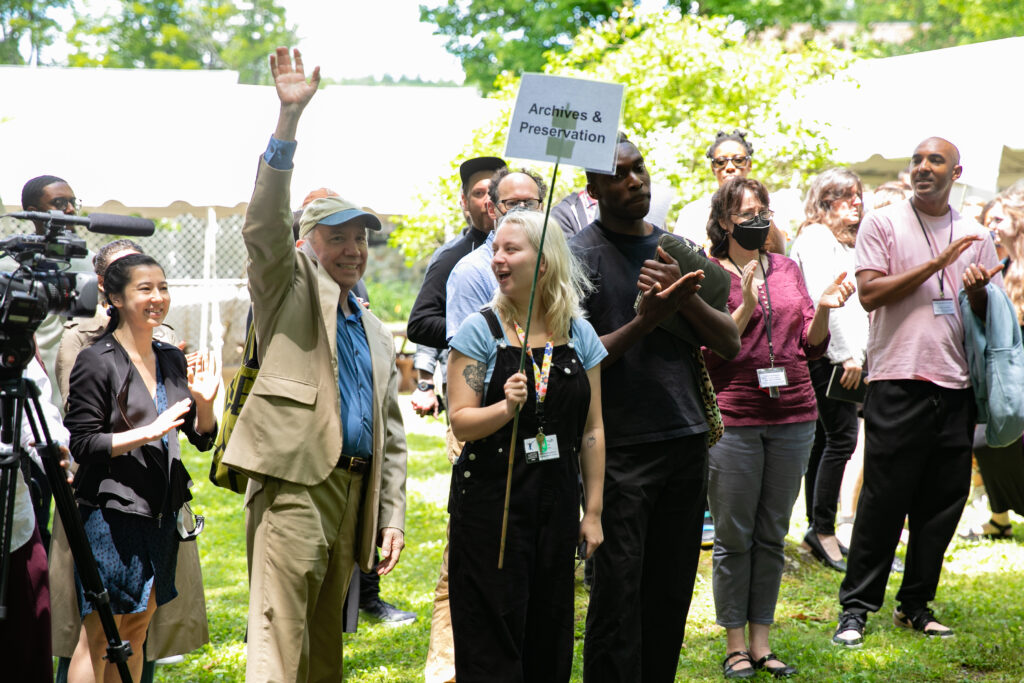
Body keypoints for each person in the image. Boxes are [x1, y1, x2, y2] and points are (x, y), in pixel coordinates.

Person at [221, 48, 408, 681]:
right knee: (279, 640)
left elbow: (394, 433)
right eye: (339, 237)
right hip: (296, 484)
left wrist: (391, 514)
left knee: (325, 650)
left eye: (361, 237)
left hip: (354, 495)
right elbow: (264, 226)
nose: (354, 249)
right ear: (308, 244)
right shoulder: (289, 286)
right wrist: (287, 121)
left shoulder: (377, 330)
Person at [574, 135, 741, 683]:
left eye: (639, 169)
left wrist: (683, 296)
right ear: (592, 188)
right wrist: (644, 321)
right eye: (619, 173)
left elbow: (729, 343)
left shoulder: (678, 249)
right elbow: (577, 359)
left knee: (669, 592)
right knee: (618, 594)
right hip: (616, 448)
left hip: (684, 438)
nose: (635, 180)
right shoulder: (575, 257)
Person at [833, 137, 1003, 648]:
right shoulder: (883, 223)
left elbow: (985, 316)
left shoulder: (976, 234)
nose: (923, 168)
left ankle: (915, 606)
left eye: (935, 161)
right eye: (917, 160)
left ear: (957, 172)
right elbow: (868, 294)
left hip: (957, 384)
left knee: (941, 505)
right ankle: (856, 609)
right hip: (897, 380)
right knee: (884, 500)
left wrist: (976, 295)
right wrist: (936, 264)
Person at [446, 209, 606, 682]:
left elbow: (593, 429)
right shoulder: (482, 331)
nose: (498, 258)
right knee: (491, 633)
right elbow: (460, 422)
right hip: (491, 508)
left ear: (545, 260)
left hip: (555, 503)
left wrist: (592, 512)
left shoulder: (579, 333)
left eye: (511, 249)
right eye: (495, 249)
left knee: (550, 629)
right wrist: (503, 409)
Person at [703, 176, 853, 679]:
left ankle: (763, 643)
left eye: (762, 209)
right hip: (736, 418)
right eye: (745, 213)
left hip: (795, 413)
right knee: (734, 536)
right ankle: (735, 643)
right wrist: (745, 303)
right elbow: (710, 352)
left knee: (771, 534)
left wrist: (826, 310)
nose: (756, 218)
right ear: (724, 221)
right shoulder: (708, 273)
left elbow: (809, 345)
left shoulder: (788, 267)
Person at [51, 239, 209, 683]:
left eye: (162, 287)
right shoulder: (94, 360)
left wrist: (207, 402)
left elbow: (201, 437)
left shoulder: (171, 358)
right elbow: (83, 444)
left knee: (137, 628)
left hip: (160, 513)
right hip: (110, 515)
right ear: (115, 298)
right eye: (145, 289)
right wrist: (149, 431)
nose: (157, 297)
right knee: (101, 635)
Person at [790, 168, 869, 572]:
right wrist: (847, 354)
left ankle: (817, 529)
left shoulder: (841, 240)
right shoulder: (816, 238)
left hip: (840, 354)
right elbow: (828, 300)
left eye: (858, 195)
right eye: (847, 196)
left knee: (826, 440)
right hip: (829, 356)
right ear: (825, 202)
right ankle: (822, 531)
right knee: (842, 438)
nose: (857, 202)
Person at [961, 180, 1024, 541]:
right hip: (1007, 368)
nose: (992, 226)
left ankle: (1000, 518)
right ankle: (1000, 516)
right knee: (987, 439)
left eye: (999, 218)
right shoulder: (1001, 263)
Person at [0, 355, 69, 681]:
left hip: (15, 523)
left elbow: (37, 411)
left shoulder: (10, 343)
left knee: (28, 642)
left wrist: (55, 447)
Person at [446, 167, 547, 341]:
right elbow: (467, 352)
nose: (522, 210)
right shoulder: (471, 272)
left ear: (542, 208)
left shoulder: (557, 262)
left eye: (530, 203)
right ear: (492, 209)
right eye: (512, 204)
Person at [673, 130, 787, 253]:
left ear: (749, 165)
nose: (730, 167)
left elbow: (780, 254)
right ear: (713, 168)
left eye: (738, 160)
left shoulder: (770, 205)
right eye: (721, 162)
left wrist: (762, 213)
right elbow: (681, 257)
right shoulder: (693, 212)